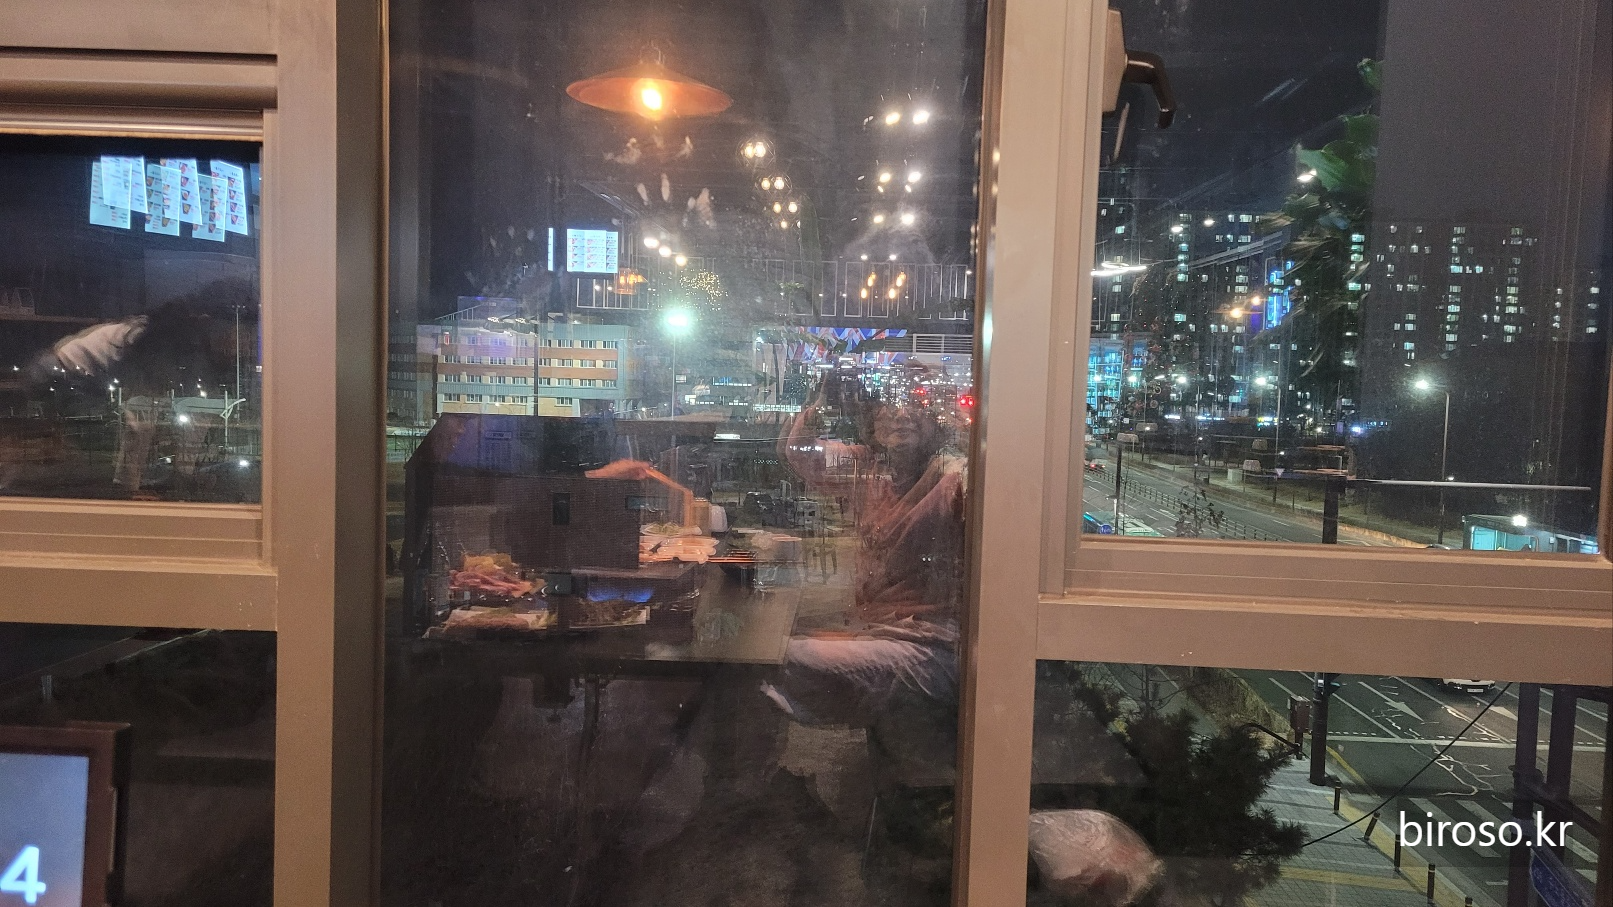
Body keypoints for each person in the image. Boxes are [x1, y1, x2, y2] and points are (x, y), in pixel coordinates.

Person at [761, 368, 966, 775]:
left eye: (917, 404)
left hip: (931, 648)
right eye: (889, 403)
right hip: (877, 631)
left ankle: (753, 787)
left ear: (936, 419)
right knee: (759, 652)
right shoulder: (866, 466)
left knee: (771, 660)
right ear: (871, 419)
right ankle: (766, 781)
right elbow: (798, 452)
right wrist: (823, 399)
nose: (901, 414)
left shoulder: (951, 476)